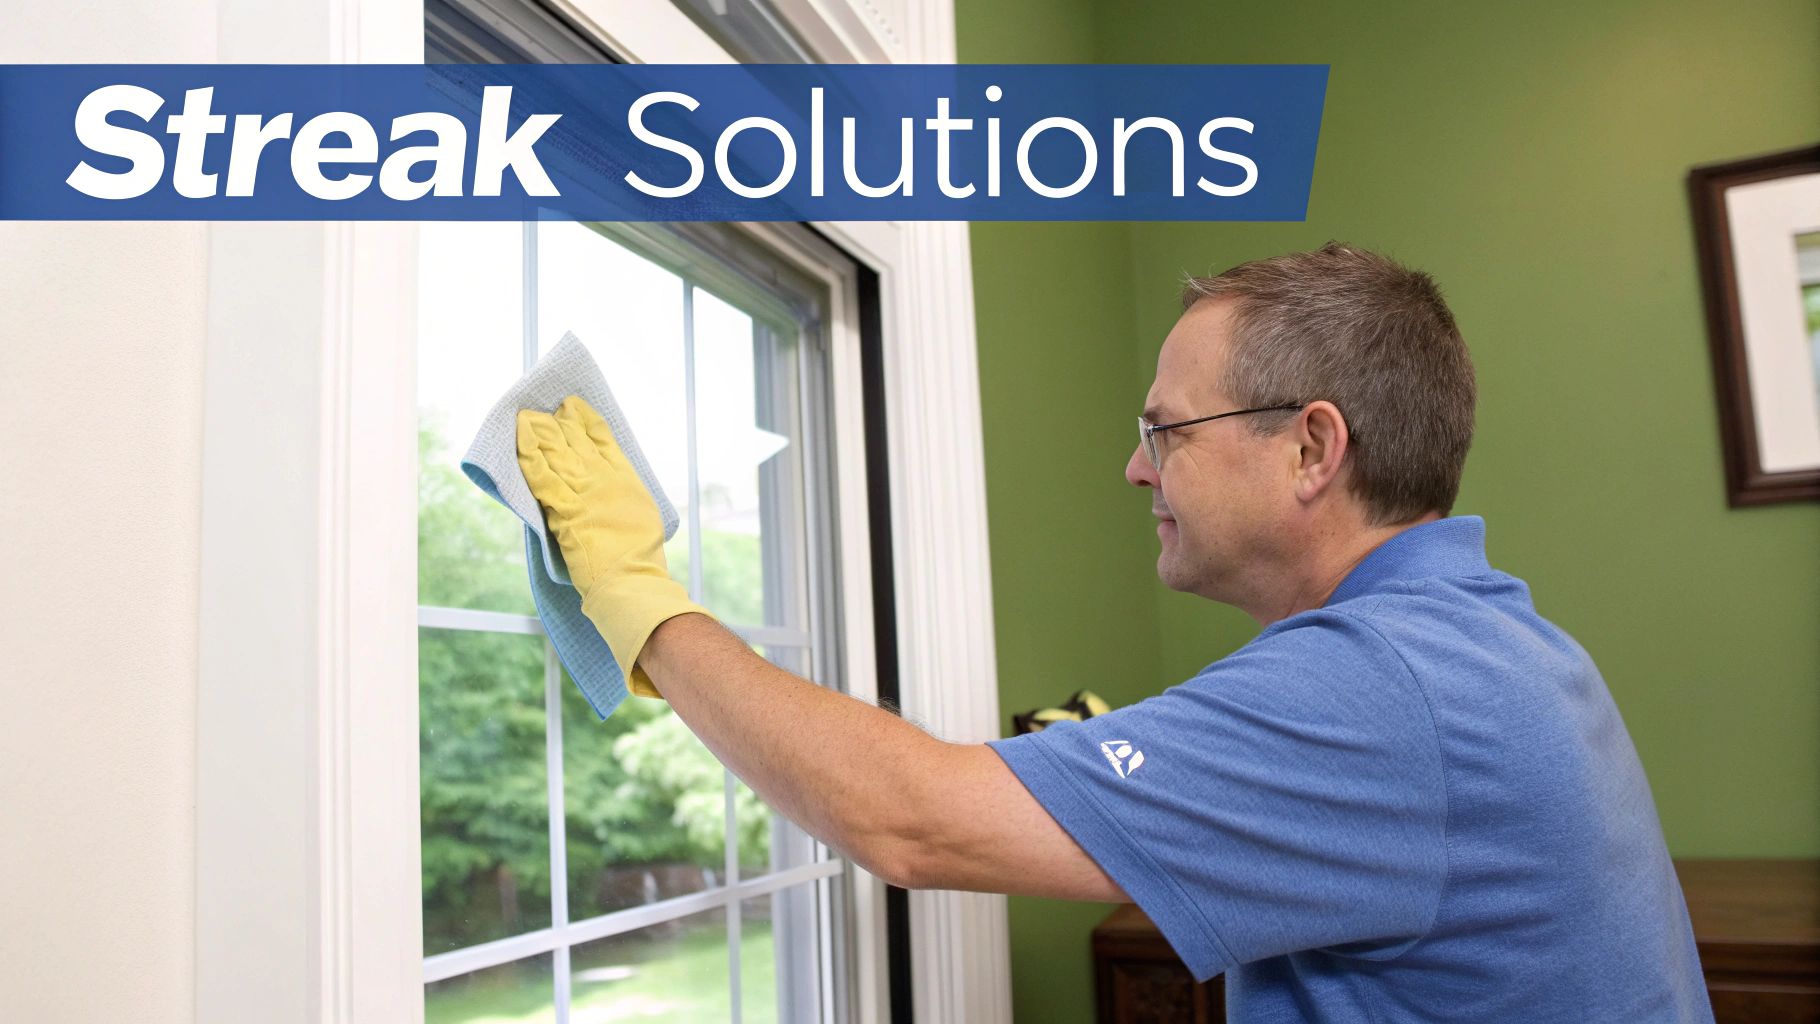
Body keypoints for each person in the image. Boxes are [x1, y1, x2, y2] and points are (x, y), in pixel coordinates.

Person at [516, 242, 1714, 1022]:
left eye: (1166, 430)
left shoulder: (1381, 688)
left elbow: (911, 819)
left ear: (1310, 446)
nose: (1132, 468)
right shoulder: (1493, 638)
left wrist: (644, 602)